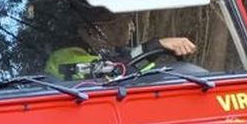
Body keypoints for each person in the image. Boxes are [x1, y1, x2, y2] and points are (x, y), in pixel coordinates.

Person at [44, 12, 197, 81]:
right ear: (97, 29)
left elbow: (132, 65)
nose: (132, 28)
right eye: (125, 21)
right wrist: (157, 45)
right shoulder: (64, 57)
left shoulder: (112, 53)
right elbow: (113, 71)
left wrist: (156, 50)